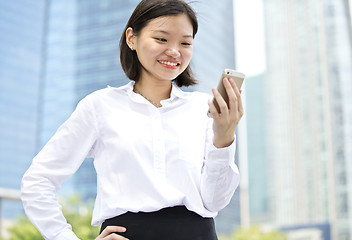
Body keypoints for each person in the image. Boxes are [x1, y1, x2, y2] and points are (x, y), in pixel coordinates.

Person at [21, 0, 244, 239]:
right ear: (132, 39)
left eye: (185, 43)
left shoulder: (203, 109)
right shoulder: (100, 106)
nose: (174, 51)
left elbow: (215, 202)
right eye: (161, 39)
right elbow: (38, 180)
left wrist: (224, 139)